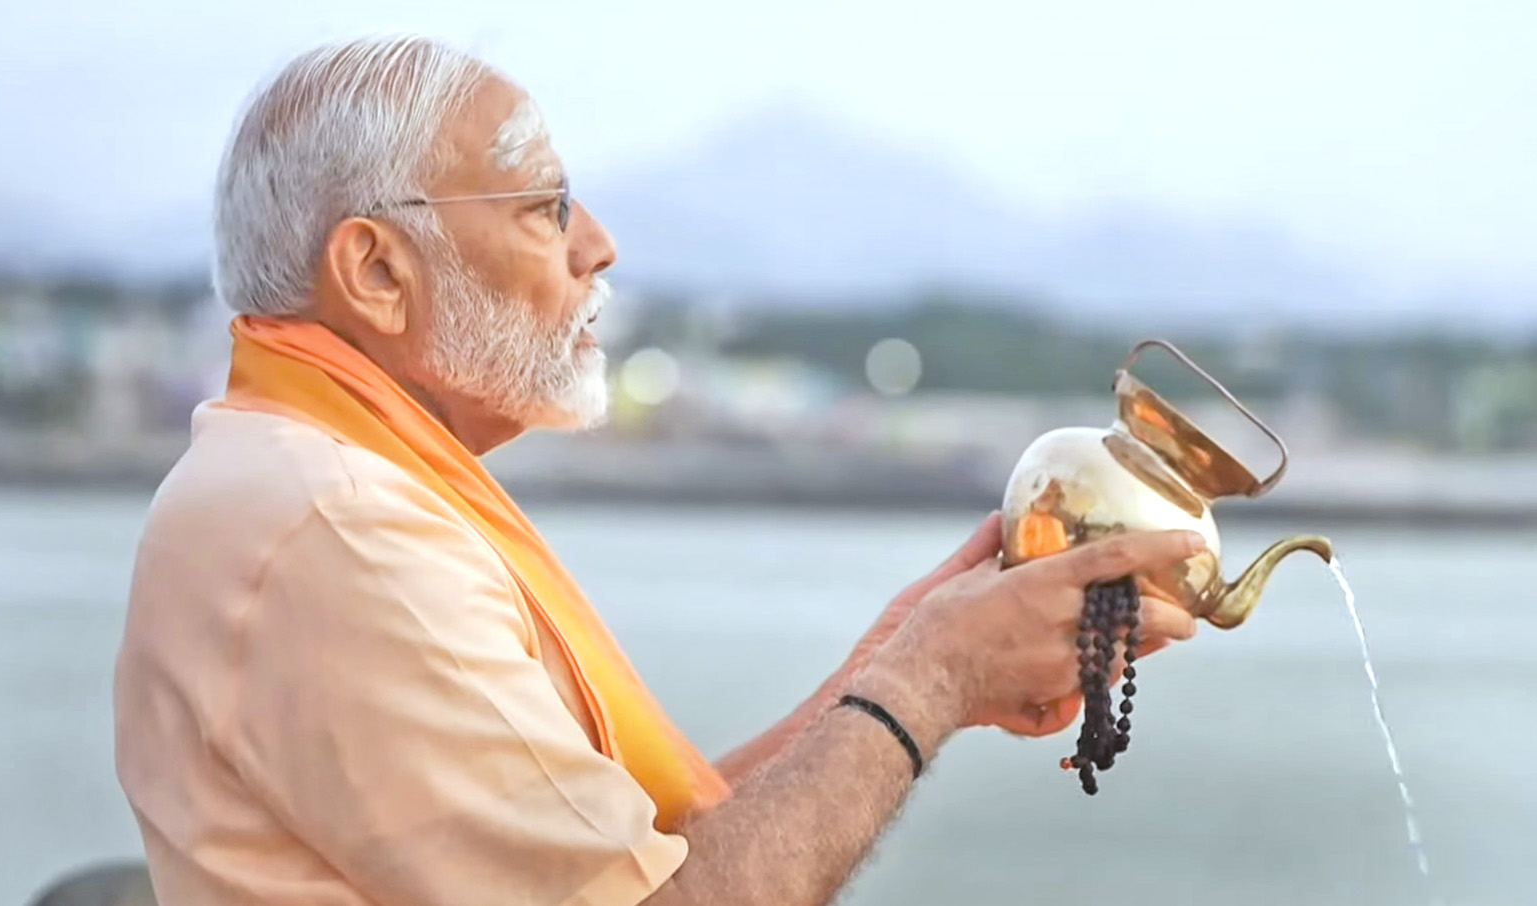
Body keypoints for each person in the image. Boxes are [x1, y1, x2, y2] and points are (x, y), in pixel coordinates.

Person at [112, 34, 1203, 906]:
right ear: (378, 271)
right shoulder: (342, 524)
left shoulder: (302, 472)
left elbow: (637, 860)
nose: (600, 243)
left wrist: (896, 654)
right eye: (544, 207)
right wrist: (928, 678)